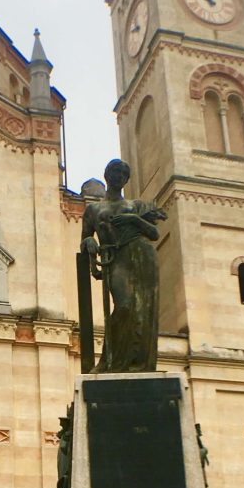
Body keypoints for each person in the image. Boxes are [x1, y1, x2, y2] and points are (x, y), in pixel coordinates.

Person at [81, 159, 166, 372]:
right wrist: (89, 241)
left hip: (140, 256)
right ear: (106, 174)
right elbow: (85, 239)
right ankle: (108, 361)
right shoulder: (93, 209)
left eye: (123, 174)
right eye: (115, 171)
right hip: (115, 259)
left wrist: (133, 220)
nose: (119, 176)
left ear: (126, 179)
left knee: (142, 311)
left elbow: (154, 234)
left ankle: (138, 362)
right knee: (125, 306)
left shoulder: (135, 206)